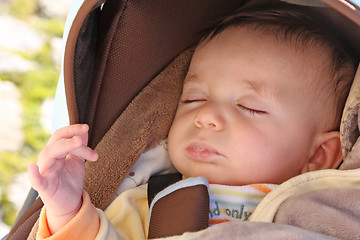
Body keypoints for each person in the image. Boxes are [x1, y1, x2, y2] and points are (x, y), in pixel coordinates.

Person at [27, 3, 357, 239]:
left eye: (249, 107)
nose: (206, 116)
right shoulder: (150, 203)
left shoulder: (333, 209)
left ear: (317, 156)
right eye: (193, 99)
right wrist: (68, 213)